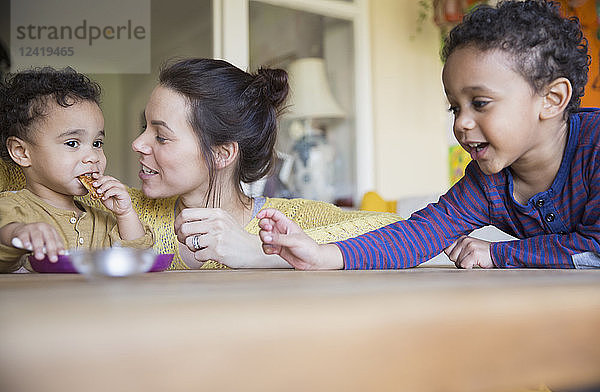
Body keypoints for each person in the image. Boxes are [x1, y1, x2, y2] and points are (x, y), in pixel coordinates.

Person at [257, 0, 600, 270]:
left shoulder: (595, 147)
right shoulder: (487, 184)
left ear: (552, 100)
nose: (462, 123)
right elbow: (418, 234)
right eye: (455, 108)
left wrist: (500, 254)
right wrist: (321, 255)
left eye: (479, 103)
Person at [126, 58, 400, 269]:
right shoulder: (125, 210)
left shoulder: (284, 221)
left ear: (222, 154)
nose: (138, 143)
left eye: (161, 136)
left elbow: (406, 234)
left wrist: (258, 250)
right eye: (145, 127)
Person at [0, 67, 153, 272]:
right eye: (72, 143)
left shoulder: (103, 219)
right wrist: (18, 233)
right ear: (21, 152)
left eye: (97, 143)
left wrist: (125, 214)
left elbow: (138, 260)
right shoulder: (13, 208)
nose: (93, 157)